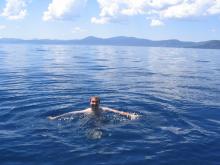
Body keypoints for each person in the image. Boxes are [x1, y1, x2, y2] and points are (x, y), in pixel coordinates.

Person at [48, 96, 139, 120]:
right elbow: (70, 113)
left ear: (99, 103)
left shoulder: (104, 109)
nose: (94, 103)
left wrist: (130, 115)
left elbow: (118, 112)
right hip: (88, 119)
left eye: (96, 102)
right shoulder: (86, 111)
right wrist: (55, 117)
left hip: (102, 119)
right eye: (93, 102)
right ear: (90, 102)